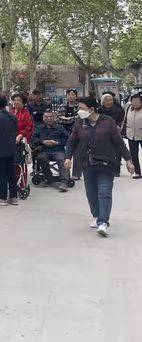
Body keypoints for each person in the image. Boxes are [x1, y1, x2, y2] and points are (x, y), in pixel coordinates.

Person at [65, 96, 134, 237]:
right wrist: (68, 157)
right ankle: (97, 216)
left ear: (91, 109)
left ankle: (103, 222)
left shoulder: (108, 121)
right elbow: (72, 141)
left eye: (82, 108)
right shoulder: (80, 122)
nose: (79, 111)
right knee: (91, 193)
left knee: (104, 191)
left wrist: (128, 160)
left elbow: (119, 142)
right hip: (87, 163)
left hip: (105, 163)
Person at [31, 110, 69, 192]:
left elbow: (67, 139)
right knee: (41, 158)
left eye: (50, 117)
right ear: (43, 118)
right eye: (47, 117)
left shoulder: (60, 128)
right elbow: (33, 139)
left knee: (61, 159)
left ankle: (64, 182)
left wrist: (57, 142)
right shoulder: (39, 128)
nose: (49, 118)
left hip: (58, 150)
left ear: (54, 118)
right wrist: (42, 142)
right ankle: (49, 179)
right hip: (44, 150)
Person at [122, 92, 142, 179]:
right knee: (133, 154)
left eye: (137, 101)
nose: (135, 103)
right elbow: (125, 119)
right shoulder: (129, 108)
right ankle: (137, 172)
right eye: (133, 101)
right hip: (131, 134)